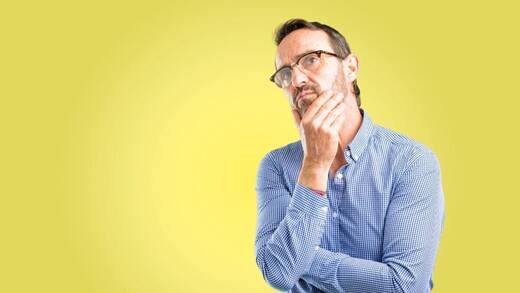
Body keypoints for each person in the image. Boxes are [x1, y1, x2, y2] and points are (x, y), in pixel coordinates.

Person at [254, 19, 445, 293]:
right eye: (284, 73)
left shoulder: (411, 161)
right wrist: (314, 166)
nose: (296, 80)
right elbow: (277, 274)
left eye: (311, 60)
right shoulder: (276, 166)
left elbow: (404, 285)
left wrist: (300, 259)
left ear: (351, 67)